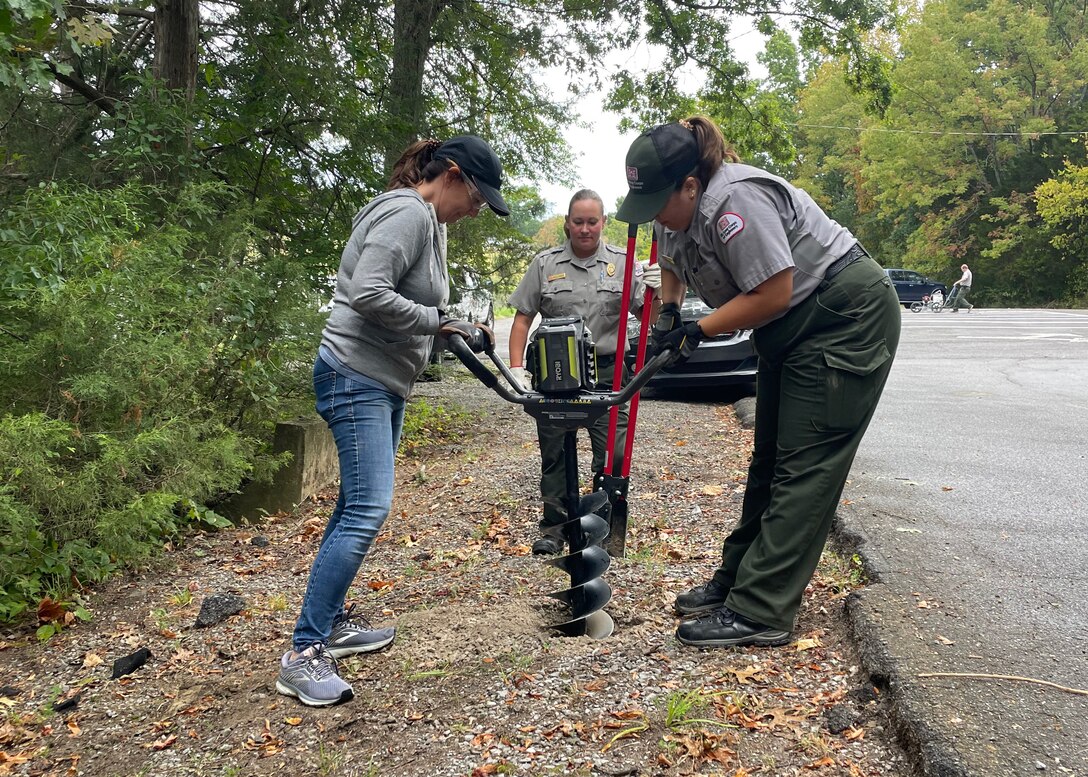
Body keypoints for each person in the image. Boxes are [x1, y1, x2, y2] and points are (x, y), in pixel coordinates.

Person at [616, 117, 901, 648]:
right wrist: (669, 315)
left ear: (691, 185)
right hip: (788, 327)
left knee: (804, 465)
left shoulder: (736, 202)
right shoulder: (671, 210)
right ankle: (737, 580)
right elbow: (672, 256)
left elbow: (772, 292)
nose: (653, 214)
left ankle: (762, 608)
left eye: (660, 200)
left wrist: (696, 331)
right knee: (768, 458)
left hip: (841, 317)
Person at [277, 135, 509, 706]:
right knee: (367, 509)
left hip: (380, 381)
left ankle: (326, 624)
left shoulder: (431, 224)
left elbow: (412, 300)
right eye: (478, 198)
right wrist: (436, 322)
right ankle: (303, 652)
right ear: (452, 174)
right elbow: (366, 292)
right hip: (355, 375)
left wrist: (448, 322)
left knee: (353, 507)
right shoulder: (407, 212)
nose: (477, 210)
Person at [507, 189, 660, 555]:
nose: (585, 229)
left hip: (608, 376)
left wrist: (659, 291)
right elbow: (522, 318)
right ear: (567, 223)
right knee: (556, 454)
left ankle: (600, 525)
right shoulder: (545, 264)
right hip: (555, 374)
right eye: (578, 221)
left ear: (603, 223)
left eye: (593, 222)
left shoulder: (625, 265)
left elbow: (648, 318)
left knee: (612, 454)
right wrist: (515, 369)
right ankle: (556, 528)